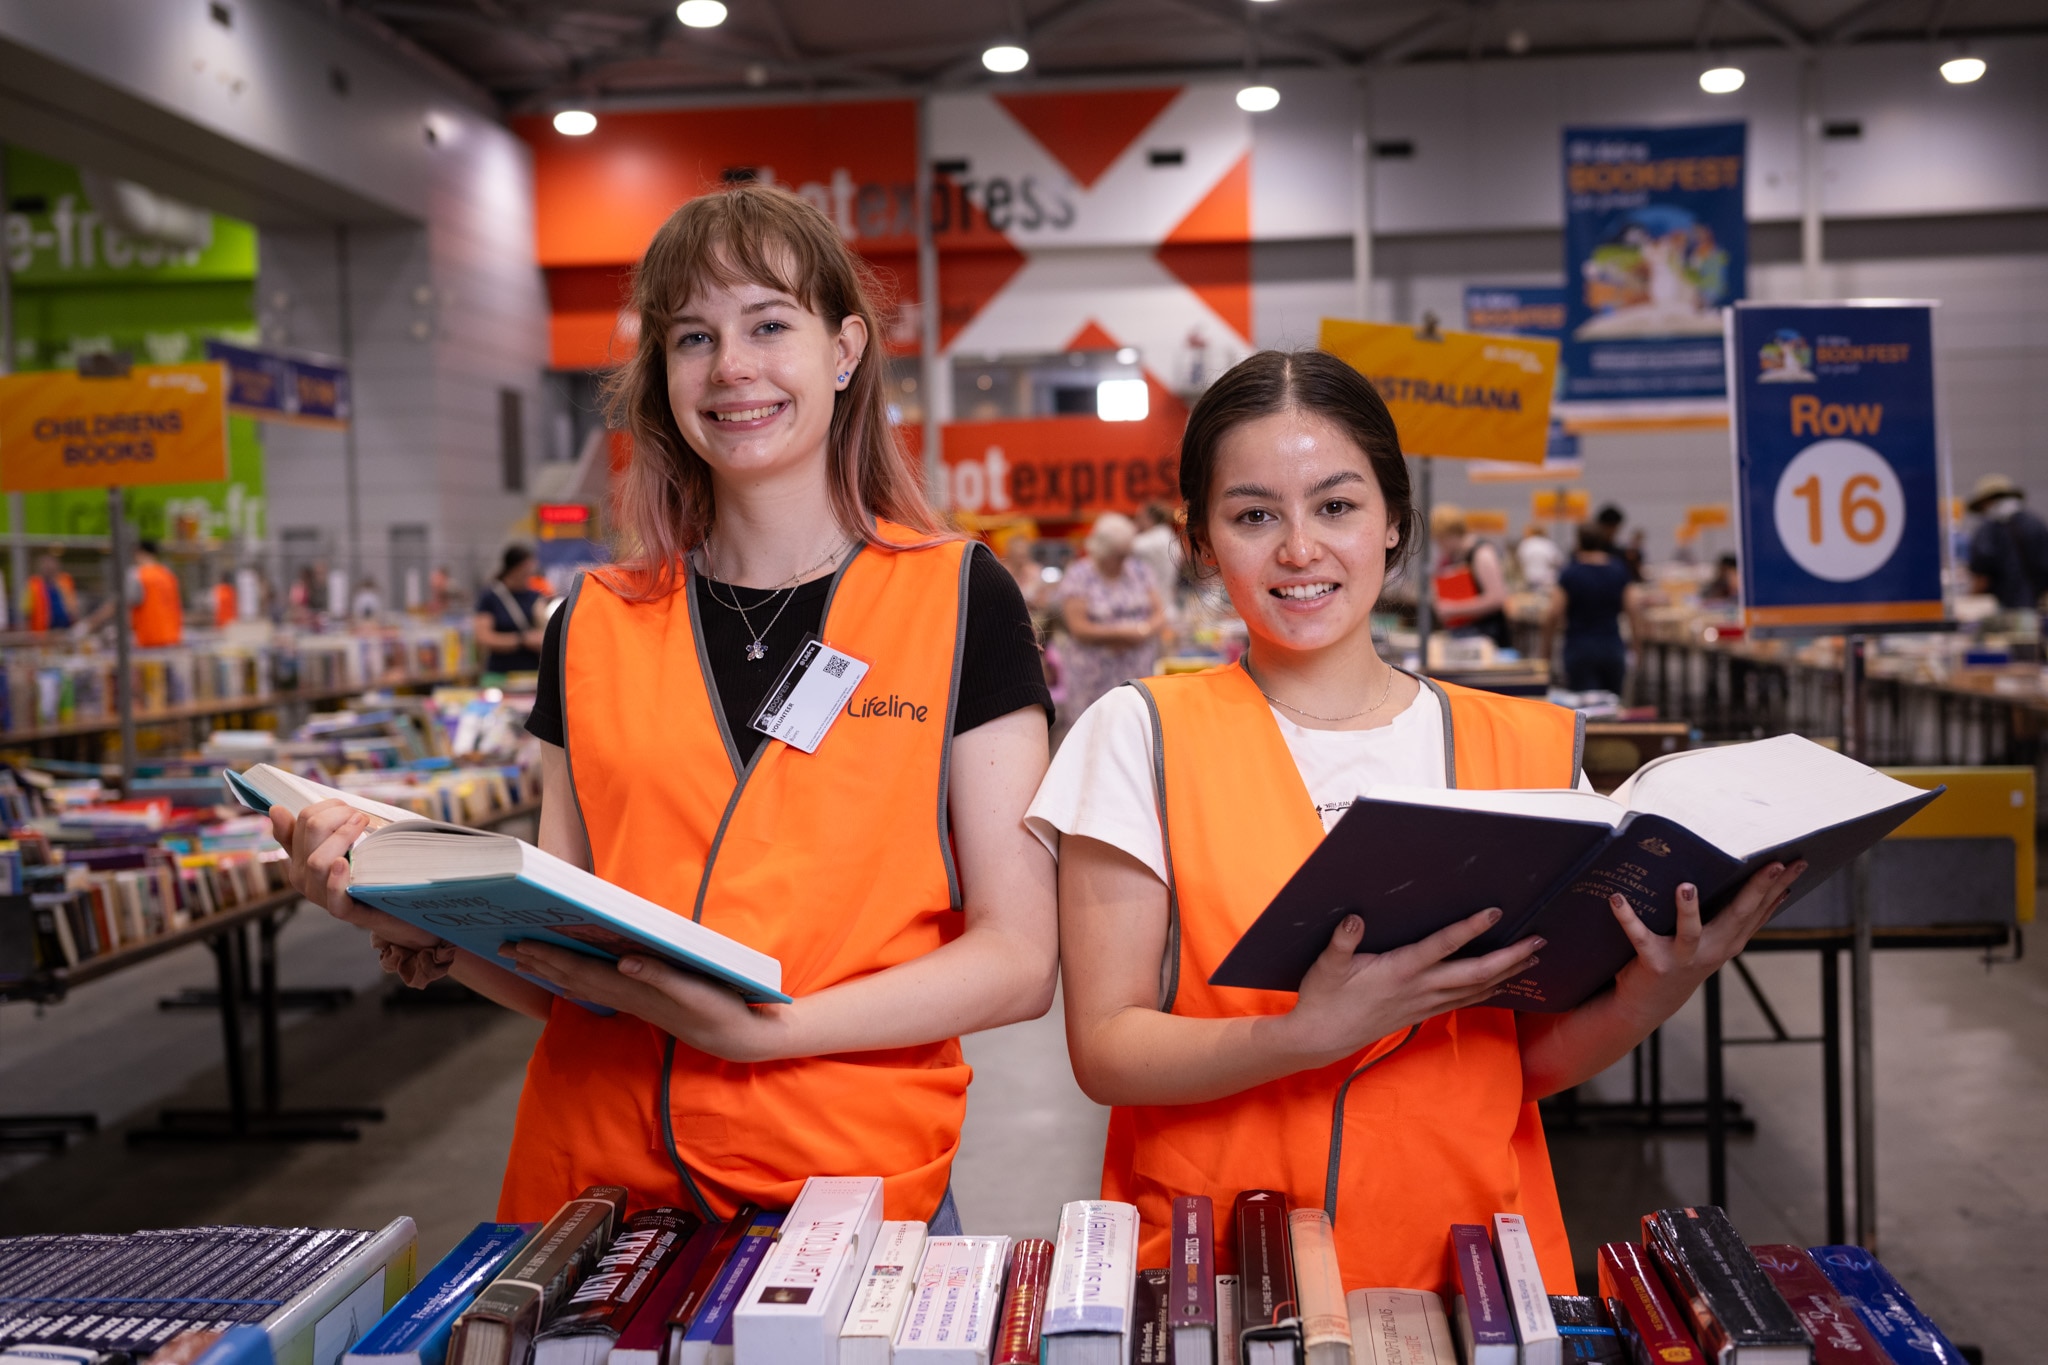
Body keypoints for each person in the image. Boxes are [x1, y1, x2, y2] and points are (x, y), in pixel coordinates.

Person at [272, 182, 1057, 1230]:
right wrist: (427, 925)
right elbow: (572, 965)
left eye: (768, 325)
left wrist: (767, 1033)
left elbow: (1017, 960)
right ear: (662, 378)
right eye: (693, 337)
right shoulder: (591, 621)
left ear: (843, 350)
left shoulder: (958, 597)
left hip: (848, 1193)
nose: (731, 367)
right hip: (597, 1188)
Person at [1034, 349, 1804, 1288]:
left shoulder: (1521, 750)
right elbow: (1107, 1048)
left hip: (1470, 1276)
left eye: (1336, 505)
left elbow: (1513, 1066)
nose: (1300, 550)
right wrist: (1300, 1035)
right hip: (1231, 1274)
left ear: (1395, 521)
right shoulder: (1140, 735)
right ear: (1200, 542)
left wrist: (1657, 986)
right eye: (1253, 515)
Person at [1056, 512, 1165, 729]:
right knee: (1092, 731)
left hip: (1137, 670)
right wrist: (1127, 634)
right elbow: (1078, 628)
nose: (1123, 560)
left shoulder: (1140, 571)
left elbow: (1159, 613)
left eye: (1126, 553)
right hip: (1092, 676)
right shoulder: (1079, 575)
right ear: (1102, 551)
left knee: (1134, 728)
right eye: (1118, 555)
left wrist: (1143, 630)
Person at [1545, 527, 1644, 695]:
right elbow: (1633, 611)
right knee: (1613, 707)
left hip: (1579, 649)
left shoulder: (1570, 573)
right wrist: (1637, 649)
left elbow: (1554, 613)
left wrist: (1545, 651)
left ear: (1579, 543)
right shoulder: (1618, 570)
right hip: (1612, 647)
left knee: (1585, 709)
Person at [1429, 504, 1511, 646]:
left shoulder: (1481, 554)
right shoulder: (1454, 557)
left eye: (1440, 540)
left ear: (1450, 534)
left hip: (1487, 635)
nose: (1439, 546)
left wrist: (1454, 609)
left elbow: (1497, 598)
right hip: (1465, 632)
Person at [1964, 474, 2048, 611]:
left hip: (2003, 608)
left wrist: (1969, 601)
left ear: (1987, 501)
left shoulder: (1989, 529)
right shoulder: (2036, 523)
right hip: (2036, 605)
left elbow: (1982, 576)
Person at [80, 539, 183, 647]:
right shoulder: (167, 575)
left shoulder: (138, 575)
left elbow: (118, 603)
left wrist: (89, 623)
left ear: (140, 552)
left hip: (150, 639)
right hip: (172, 637)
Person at [472, 546, 546, 674]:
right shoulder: (491, 597)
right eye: (526, 571)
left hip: (532, 673)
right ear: (514, 569)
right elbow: (483, 637)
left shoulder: (536, 597)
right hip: (500, 673)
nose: (529, 575)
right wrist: (521, 640)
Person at [1132, 502, 1183, 617]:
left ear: (1149, 518)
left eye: (1139, 517)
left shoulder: (1154, 539)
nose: (1137, 521)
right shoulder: (1168, 536)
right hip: (1166, 606)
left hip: (1155, 611)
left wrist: (1132, 530)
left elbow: (1121, 546)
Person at [24, 551, 78, 633]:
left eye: (51, 566)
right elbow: (26, 611)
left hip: (65, 627)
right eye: (46, 567)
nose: (49, 569)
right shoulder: (33, 584)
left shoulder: (65, 581)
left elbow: (72, 604)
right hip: (42, 631)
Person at [1514, 522, 1564, 591]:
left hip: (1530, 579)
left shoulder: (1525, 544)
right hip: (1547, 581)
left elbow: (1519, 561)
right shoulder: (1548, 544)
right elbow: (1559, 562)